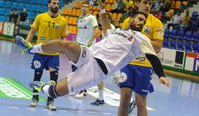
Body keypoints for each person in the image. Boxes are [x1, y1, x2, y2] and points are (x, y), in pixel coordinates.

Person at [15, 11, 169, 115]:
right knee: (64, 44)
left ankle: (43, 88)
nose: (141, 22)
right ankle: (31, 49)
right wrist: (102, 10)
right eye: (139, 19)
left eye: (144, 21)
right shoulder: (118, 30)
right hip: (89, 54)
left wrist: (161, 74)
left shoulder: (141, 39)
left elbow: (152, 56)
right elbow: (105, 23)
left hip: (97, 70)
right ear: (132, 19)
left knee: (56, 92)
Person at [118, 0, 169, 116]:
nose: (148, 6)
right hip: (128, 63)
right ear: (137, 3)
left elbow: (157, 47)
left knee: (141, 101)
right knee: (124, 97)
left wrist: (140, 39)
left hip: (145, 66)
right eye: (145, 2)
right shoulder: (128, 21)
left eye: (150, 4)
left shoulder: (156, 23)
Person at [24, 0, 67, 111]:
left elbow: (63, 38)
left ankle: (50, 100)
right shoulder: (40, 17)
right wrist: (27, 43)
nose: (56, 5)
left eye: (58, 3)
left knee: (54, 78)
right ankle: (35, 97)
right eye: (54, 3)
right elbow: (32, 31)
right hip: (40, 52)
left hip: (54, 53)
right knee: (37, 75)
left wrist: (64, 50)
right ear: (49, 4)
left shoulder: (63, 20)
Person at [75, 1, 99, 97]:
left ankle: (83, 89)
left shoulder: (91, 18)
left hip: (88, 46)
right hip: (80, 45)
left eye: (86, 7)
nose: (84, 8)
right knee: (77, 66)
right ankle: (82, 88)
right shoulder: (79, 19)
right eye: (83, 6)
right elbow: (80, 33)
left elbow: (96, 30)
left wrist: (90, 42)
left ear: (88, 8)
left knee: (83, 68)